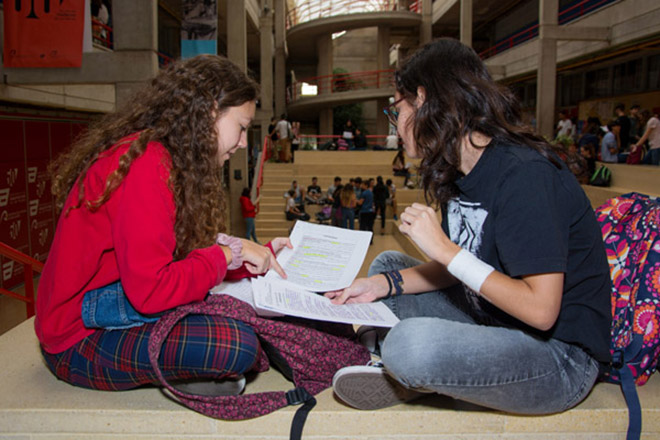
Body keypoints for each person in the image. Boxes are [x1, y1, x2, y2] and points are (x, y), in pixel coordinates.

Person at [326, 38, 611, 416]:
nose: (395, 125)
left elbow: (541, 310)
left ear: (423, 99)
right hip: (495, 322)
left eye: (397, 108)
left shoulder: (525, 175)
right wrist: (380, 285)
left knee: (411, 345)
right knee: (387, 269)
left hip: (558, 358)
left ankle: (404, 364)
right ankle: (410, 368)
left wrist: (447, 251)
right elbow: (463, 271)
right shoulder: (457, 170)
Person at [35, 55, 293, 395]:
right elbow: (152, 292)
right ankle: (186, 371)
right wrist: (226, 255)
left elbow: (182, 259)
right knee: (237, 346)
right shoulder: (146, 163)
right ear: (209, 112)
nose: (243, 142)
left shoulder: (165, 157)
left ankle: (189, 369)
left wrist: (251, 257)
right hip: (76, 340)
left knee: (245, 324)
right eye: (242, 127)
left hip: (114, 306)